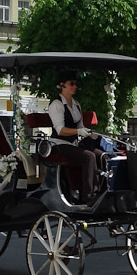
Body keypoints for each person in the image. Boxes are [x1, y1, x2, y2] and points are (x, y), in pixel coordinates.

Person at [47, 72, 103, 204]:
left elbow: (81, 126)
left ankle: (102, 191)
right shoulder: (56, 104)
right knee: (89, 156)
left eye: (76, 84)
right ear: (62, 85)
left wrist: (89, 133)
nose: (74, 86)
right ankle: (88, 195)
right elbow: (60, 130)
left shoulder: (76, 104)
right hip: (58, 144)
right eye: (71, 83)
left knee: (102, 155)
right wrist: (78, 131)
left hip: (73, 143)